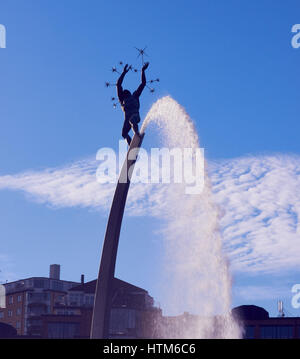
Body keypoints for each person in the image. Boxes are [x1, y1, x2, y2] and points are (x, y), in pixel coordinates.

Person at [116, 62, 149, 145]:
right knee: (124, 134)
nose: (126, 94)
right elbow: (118, 84)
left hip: (135, 116)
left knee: (132, 120)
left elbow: (143, 84)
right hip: (127, 120)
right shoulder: (122, 100)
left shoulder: (135, 96)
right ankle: (131, 146)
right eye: (125, 94)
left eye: (127, 93)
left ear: (130, 93)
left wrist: (143, 71)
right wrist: (123, 72)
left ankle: (137, 134)